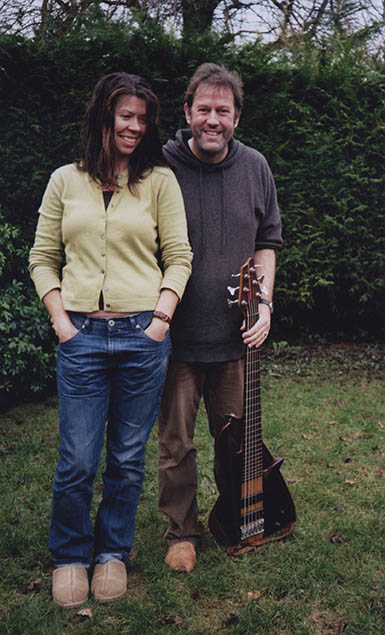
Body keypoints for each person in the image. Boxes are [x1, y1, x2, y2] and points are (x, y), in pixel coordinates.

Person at [29, 72, 192, 607]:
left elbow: (179, 256)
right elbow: (42, 257)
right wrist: (62, 322)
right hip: (81, 338)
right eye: (126, 116)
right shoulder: (64, 181)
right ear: (103, 116)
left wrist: (160, 319)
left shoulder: (160, 181)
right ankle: (71, 554)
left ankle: (112, 554)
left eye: (143, 119)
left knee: (125, 456)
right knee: (78, 458)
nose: (135, 127)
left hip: (143, 336)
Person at [157, 63, 282, 573]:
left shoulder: (255, 167)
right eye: (204, 109)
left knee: (238, 443)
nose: (213, 120)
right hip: (176, 339)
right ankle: (181, 532)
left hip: (236, 340)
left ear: (237, 118)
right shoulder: (160, 166)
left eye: (223, 111)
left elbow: (268, 240)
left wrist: (264, 303)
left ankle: (237, 517)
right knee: (176, 444)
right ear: (187, 112)